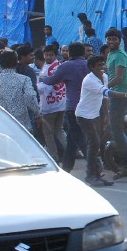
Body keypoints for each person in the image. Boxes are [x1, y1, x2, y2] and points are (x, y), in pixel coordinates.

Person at [76, 55, 127, 187]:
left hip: (96, 114)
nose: (102, 68)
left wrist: (105, 115)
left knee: (97, 143)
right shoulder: (89, 80)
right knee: (93, 144)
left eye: (103, 65)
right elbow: (107, 93)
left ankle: (96, 174)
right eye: (99, 65)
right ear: (92, 67)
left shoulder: (104, 77)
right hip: (84, 115)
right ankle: (91, 175)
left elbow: (104, 99)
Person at [39, 41, 89, 172]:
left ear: (70, 53)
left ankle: (94, 164)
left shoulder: (66, 66)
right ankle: (66, 168)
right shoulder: (89, 64)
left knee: (78, 136)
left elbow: (52, 80)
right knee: (72, 137)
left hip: (72, 106)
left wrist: (42, 80)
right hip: (88, 106)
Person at [0, 49, 41, 133]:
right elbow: (30, 96)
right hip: (21, 124)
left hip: (0, 124)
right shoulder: (24, 80)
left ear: (0, 63)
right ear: (16, 62)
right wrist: (37, 114)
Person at [105, 28, 127, 176]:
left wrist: (103, 88)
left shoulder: (120, 55)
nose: (111, 42)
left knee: (116, 130)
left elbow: (118, 77)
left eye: (114, 39)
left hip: (121, 95)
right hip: (116, 95)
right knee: (117, 129)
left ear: (119, 41)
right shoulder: (111, 54)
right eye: (109, 39)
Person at [37, 44, 66, 160]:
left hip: (50, 104)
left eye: (51, 55)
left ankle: (53, 155)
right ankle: (69, 152)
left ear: (55, 55)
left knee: (48, 131)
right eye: (46, 55)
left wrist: (36, 87)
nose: (48, 57)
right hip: (60, 103)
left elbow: (46, 87)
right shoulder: (56, 65)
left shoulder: (50, 68)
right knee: (59, 129)